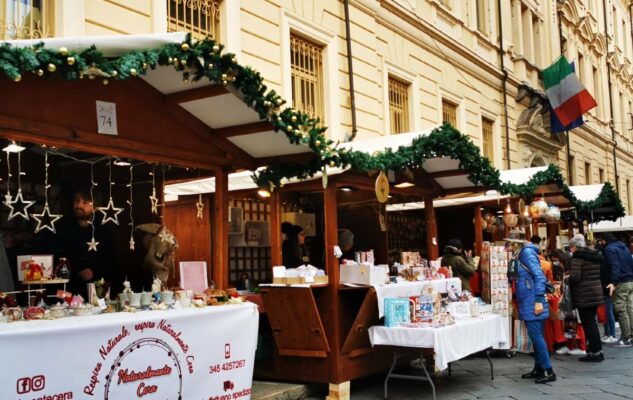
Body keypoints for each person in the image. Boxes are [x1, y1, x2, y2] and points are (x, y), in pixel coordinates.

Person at [51, 187, 117, 299]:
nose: (79, 206)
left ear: (95, 207)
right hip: (67, 293)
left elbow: (112, 263)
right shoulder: (62, 229)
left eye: (85, 202)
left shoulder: (103, 232)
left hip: (95, 294)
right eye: (77, 201)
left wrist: (94, 272)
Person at [511, 233, 556, 383]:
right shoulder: (523, 253)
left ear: (517, 243)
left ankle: (548, 371)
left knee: (536, 336)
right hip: (528, 298)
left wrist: (538, 300)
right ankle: (539, 368)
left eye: (511, 243)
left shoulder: (526, 253)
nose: (509, 246)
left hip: (532, 299)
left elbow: (539, 276)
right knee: (536, 335)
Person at [568, 234, 605, 362]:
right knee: (592, 323)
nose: (570, 249)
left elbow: (575, 277)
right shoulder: (594, 256)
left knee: (588, 324)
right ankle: (596, 350)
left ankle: (595, 352)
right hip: (595, 291)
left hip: (584, 294)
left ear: (575, 247)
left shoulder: (577, 258)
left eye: (571, 247)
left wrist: (568, 279)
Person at [603, 232, 633, 347]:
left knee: (621, 310)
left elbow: (615, 266)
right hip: (630, 280)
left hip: (621, 282)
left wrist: (613, 282)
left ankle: (626, 337)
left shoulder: (609, 249)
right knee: (629, 308)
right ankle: (630, 336)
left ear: (605, 240)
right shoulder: (624, 247)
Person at [597, 236, 617, 344]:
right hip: (606, 287)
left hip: (606, 287)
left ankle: (612, 334)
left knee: (607, 311)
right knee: (605, 312)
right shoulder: (607, 261)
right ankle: (608, 333)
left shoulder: (605, 262)